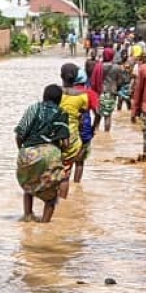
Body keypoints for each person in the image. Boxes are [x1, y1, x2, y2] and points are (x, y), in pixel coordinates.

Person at [15, 84, 72, 223]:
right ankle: (45, 226)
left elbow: (19, 133)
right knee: (51, 196)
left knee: (29, 186)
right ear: (59, 100)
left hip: (28, 152)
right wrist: (60, 154)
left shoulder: (33, 108)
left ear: (43, 96)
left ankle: (28, 216)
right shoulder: (62, 113)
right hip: (50, 153)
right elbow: (65, 143)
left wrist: (22, 151)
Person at [59, 63, 98, 185]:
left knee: (62, 164)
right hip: (84, 131)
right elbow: (98, 112)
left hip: (63, 133)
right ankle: (76, 185)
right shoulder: (87, 94)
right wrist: (94, 128)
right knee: (79, 162)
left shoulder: (59, 92)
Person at [97, 47, 124, 131]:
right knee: (108, 116)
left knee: (98, 114)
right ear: (112, 55)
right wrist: (117, 89)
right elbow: (120, 82)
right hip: (111, 93)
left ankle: (95, 132)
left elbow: (93, 79)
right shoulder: (117, 67)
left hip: (100, 92)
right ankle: (106, 135)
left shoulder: (98, 66)